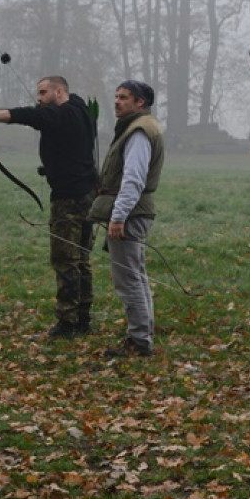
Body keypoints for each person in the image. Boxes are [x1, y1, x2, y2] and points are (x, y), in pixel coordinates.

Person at [0, 76, 98, 339]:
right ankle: (83, 319)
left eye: (43, 92)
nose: (38, 98)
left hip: (68, 198)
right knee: (81, 259)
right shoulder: (80, 108)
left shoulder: (60, 115)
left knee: (65, 260)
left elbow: (27, 115)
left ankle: (68, 323)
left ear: (59, 92)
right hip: (88, 194)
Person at [88, 81, 165, 358]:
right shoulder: (138, 127)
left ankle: (139, 341)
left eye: (124, 98)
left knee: (129, 279)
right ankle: (142, 336)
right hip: (133, 212)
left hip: (130, 213)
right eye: (116, 96)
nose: (117, 102)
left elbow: (133, 179)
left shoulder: (139, 131)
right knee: (136, 277)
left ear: (140, 102)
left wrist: (118, 217)